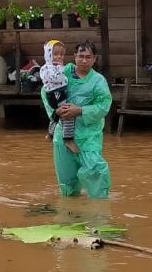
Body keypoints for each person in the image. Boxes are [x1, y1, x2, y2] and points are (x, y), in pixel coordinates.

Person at [40, 41, 112, 198]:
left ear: (95, 59)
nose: (84, 60)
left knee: (96, 171)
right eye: (81, 56)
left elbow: (104, 105)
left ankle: (101, 212)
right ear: (74, 56)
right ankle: (71, 213)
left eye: (88, 57)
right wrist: (56, 111)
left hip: (88, 137)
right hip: (62, 136)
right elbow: (46, 92)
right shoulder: (62, 71)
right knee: (67, 183)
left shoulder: (98, 81)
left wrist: (80, 111)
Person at [40, 39, 78, 154]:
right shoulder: (47, 68)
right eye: (55, 54)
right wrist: (61, 69)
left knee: (57, 114)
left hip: (58, 93)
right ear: (48, 55)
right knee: (67, 114)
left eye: (62, 54)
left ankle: (50, 134)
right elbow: (57, 78)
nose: (59, 57)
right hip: (55, 94)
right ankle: (68, 139)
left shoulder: (53, 67)